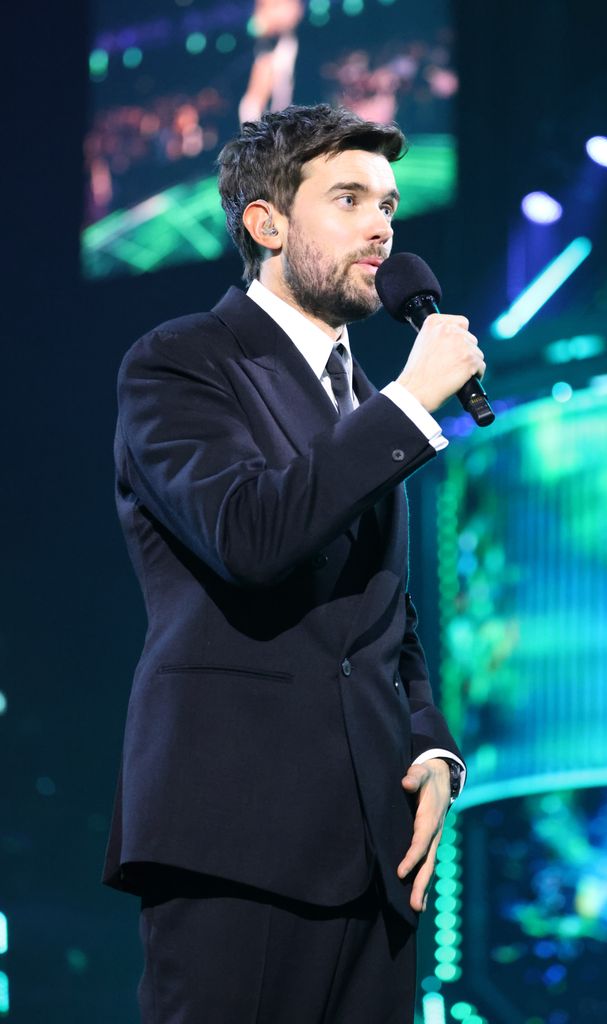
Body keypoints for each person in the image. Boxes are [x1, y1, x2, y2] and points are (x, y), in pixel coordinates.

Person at [103, 103, 485, 1023]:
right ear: (265, 224)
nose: (380, 226)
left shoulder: (362, 398)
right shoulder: (184, 360)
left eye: (388, 205)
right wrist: (403, 409)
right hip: (238, 833)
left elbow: (385, 617)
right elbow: (249, 536)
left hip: (375, 849)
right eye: (348, 198)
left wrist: (432, 744)